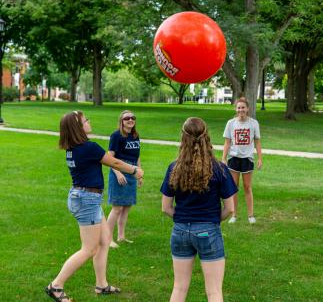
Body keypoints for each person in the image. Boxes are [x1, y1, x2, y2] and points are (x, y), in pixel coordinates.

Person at [45, 111, 144, 302]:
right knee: (89, 248)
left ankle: (101, 285)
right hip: (87, 199)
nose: (89, 122)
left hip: (85, 197)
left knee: (105, 240)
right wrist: (134, 170)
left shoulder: (73, 147)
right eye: (85, 120)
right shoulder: (89, 147)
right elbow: (113, 161)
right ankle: (55, 286)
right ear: (78, 127)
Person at [161, 117, 236, 302]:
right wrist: (210, 221)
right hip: (208, 231)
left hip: (180, 231)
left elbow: (166, 208)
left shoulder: (174, 167)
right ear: (206, 137)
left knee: (179, 288)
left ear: (183, 138)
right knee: (214, 292)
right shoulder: (219, 168)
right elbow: (230, 209)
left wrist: (184, 221)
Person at [222, 97, 262, 224]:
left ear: (248, 109)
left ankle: (250, 216)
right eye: (238, 107)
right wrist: (223, 158)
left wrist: (260, 158)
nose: (241, 110)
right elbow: (227, 142)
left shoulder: (254, 123)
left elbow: (257, 142)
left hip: (247, 159)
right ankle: (234, 215)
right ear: (236, 109)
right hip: (234, 158)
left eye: (243, 107)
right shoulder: (231, 123)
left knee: (247, 187)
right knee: (234, 187)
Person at [107, 110, 142, 248]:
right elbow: (110, 158)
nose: (130, 120)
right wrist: (118, 173)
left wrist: (139, 173)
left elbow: (137, 156)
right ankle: (108, 238)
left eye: (133, 118)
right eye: (127, 118)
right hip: (119, 170)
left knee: (126, 207)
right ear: (121, 121)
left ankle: (121, 237)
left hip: (132, 170)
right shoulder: (116, 136)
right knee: (117, 208)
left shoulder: (135, 136)